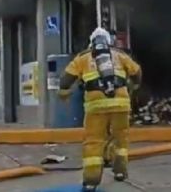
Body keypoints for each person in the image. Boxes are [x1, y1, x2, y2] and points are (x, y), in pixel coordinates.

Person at [59, 27, 142, 192]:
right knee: (121, 138)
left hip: (95, 106)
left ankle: (91, 181)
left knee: (94, 142)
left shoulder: (82, 58)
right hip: (121, 104)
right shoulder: (120, 55)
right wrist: (135, 85)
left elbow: (66, 79)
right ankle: (120, 172)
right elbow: (137, 72)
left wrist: (64, 92)